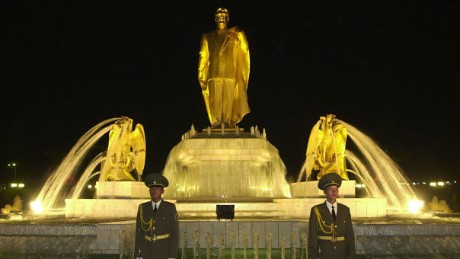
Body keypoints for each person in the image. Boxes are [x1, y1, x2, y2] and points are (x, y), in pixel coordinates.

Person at [198, 7, 250, 128]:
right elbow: (203, 56)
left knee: (228, 99)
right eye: (219, 17)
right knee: (215, 100)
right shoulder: (207, 36)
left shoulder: (234, 35)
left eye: (224, 17)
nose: (222, 18)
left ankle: (226, 121)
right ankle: (216, 122)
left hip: (229, 72)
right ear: (215, 19)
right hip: (213, 73)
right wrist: (201, 74)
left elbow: (245, 49)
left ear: (228, 19)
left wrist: (241, 33)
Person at [308, 173, 356, 258]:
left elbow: (350, 236)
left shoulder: (345, 210)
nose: (334, 192)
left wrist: (351, 256)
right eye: (330, 189)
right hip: (324, 253)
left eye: (336, 189)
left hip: (341, 254)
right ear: (325, 191)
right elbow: (312, 238)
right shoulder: (316, 210)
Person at [134, 173, 179, 259]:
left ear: (162, 191)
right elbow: (139, 234)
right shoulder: (143, 208)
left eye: (157, 188)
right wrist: (138, 254)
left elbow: (175, 234)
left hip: (163, 252)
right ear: (149, 191)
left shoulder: (170, 208)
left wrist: (172, 256)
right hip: (146, 252)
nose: (154, 191)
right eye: (152, 188)